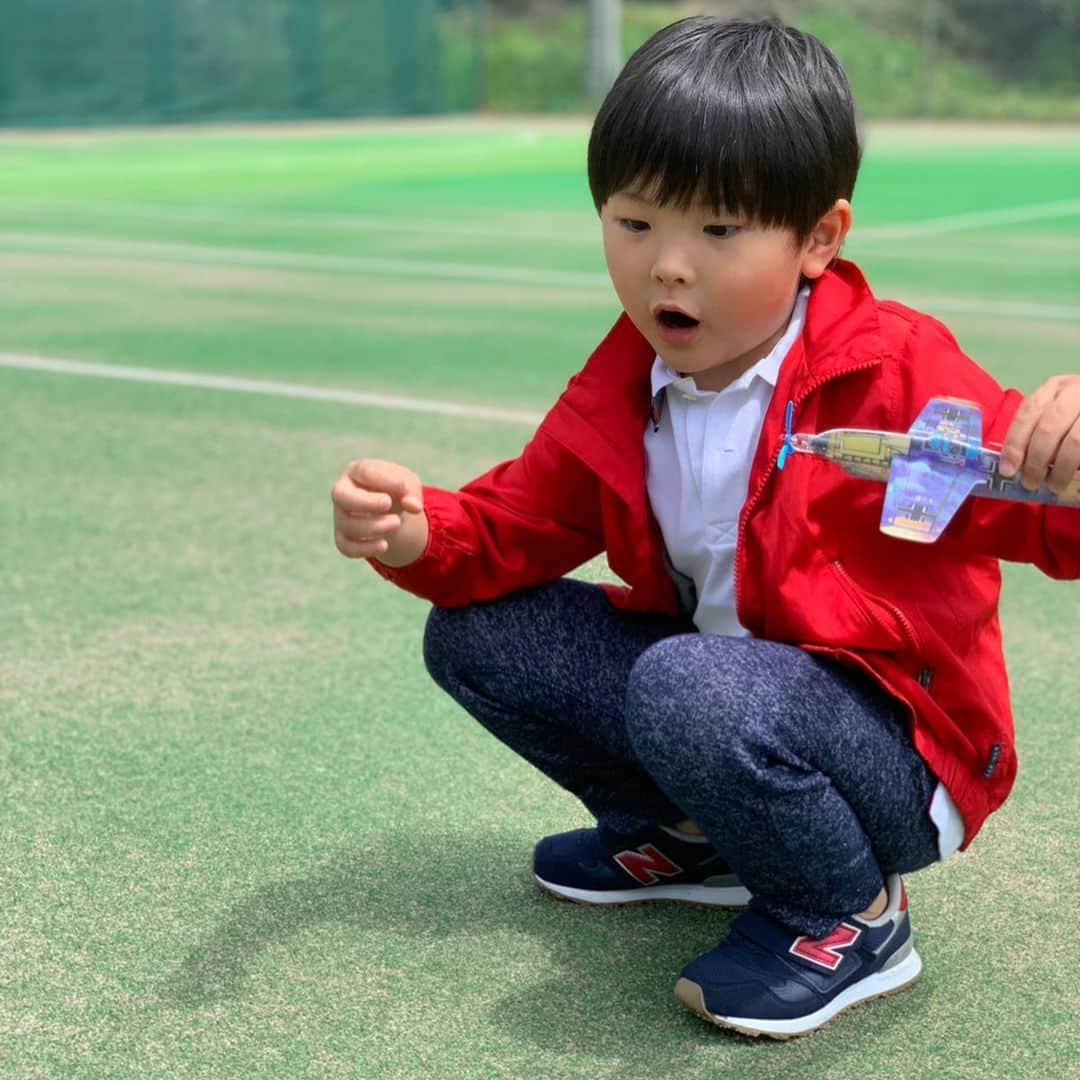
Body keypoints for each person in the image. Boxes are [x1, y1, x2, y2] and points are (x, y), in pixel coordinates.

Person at [331, 16, 1080, 1039]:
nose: (667, 268)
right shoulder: (626, 383)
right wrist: (420, 531)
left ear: (819, 238)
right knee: (479, 636)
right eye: (635, 224)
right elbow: (518, 524)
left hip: (897, 753)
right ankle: (695, 841)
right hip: (716, 702)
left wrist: (1071, 465)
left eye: (718, 233)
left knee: (688, 681)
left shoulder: (891, 375)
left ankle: (850, 917)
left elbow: (1043, 519)